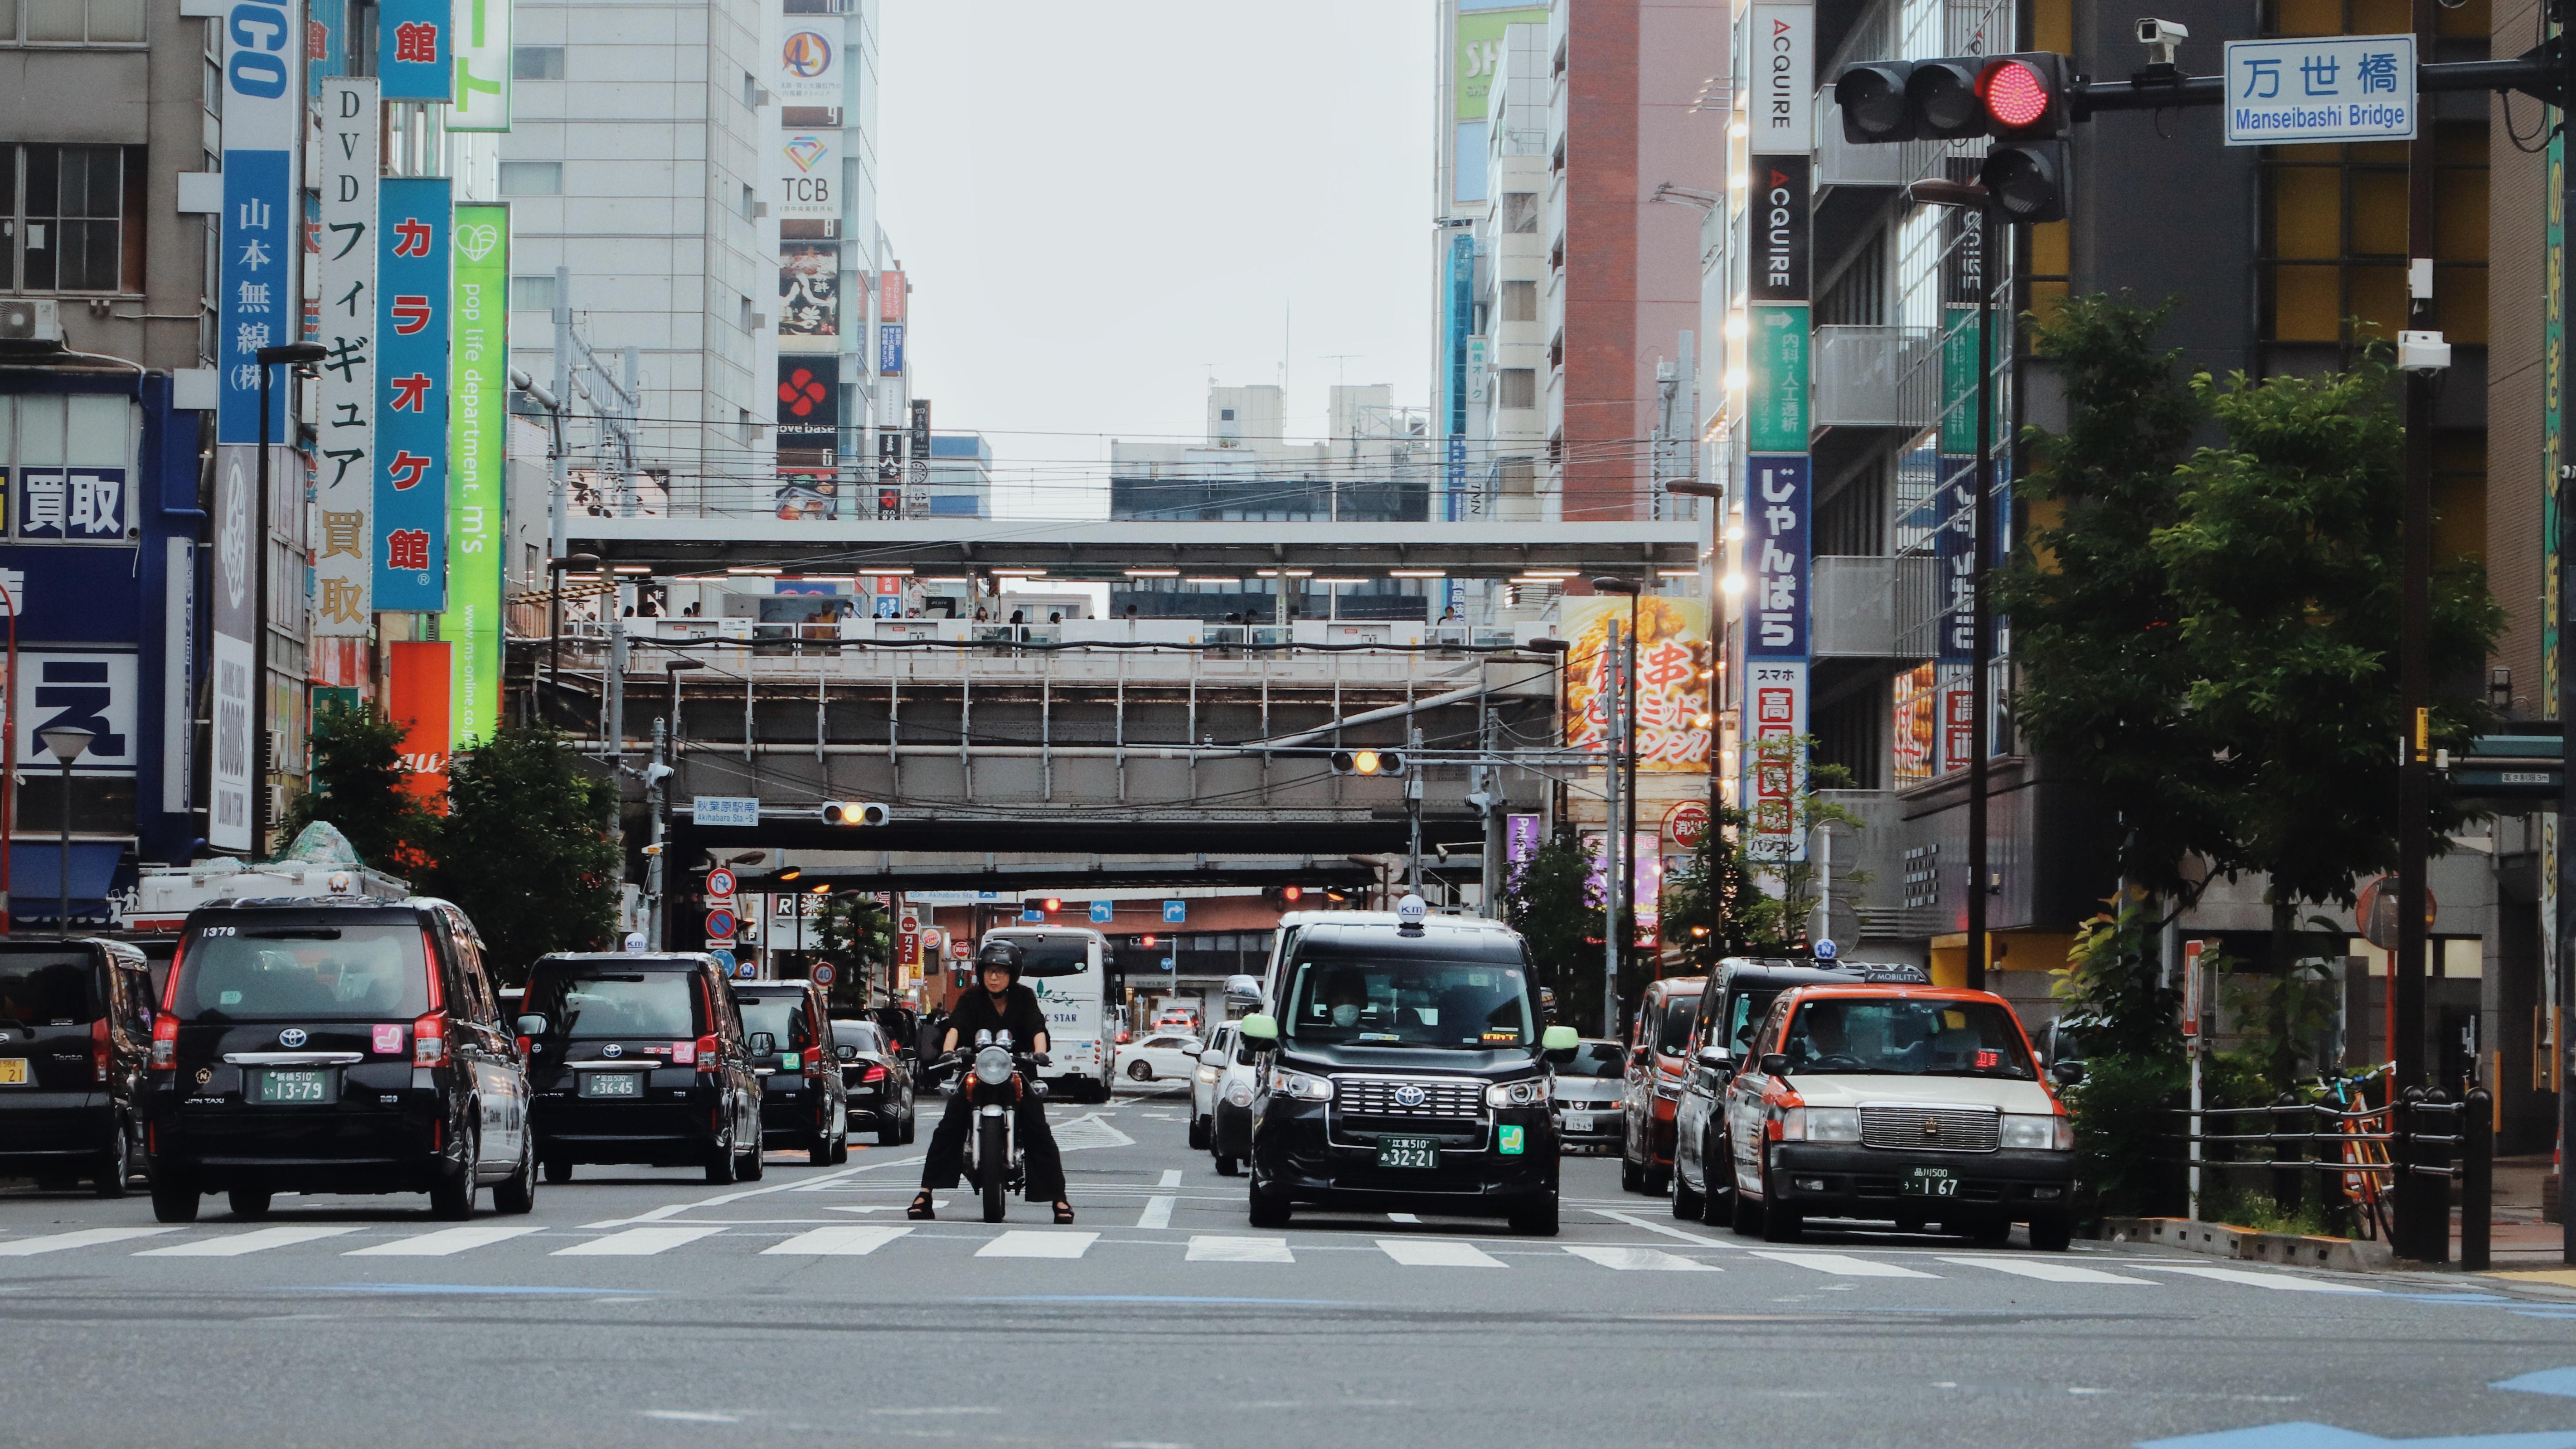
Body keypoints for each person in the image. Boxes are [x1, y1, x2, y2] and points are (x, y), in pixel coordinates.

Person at [910, 940, 1071, 1223]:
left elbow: (1037, 1027)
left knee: (1039, 1129)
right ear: (981, 972)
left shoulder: (1024, 997)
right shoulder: (971, 998)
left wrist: (1041, 1053)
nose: (994, 977)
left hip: (1018, 1070)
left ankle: (1059, 1199)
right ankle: (925, 1194)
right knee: (949, 1125)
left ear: (1013, 975)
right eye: (989, 971)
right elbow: (956, 1026)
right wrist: (949, 1051)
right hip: (976, 1070)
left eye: (1002, 971)